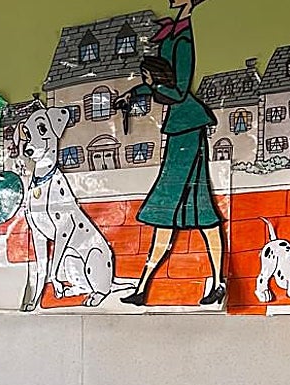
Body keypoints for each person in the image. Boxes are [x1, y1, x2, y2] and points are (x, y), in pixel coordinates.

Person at [115, 0, 227, 309]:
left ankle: (215, 282)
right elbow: (162, 84)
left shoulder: (184, 37)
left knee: (179, 207)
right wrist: (138, 92)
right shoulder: (170, 33)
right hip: (180, 130)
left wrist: (148, 88)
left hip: (187, 128)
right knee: (182, 209)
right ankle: (145, 286)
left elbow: (176, 91)